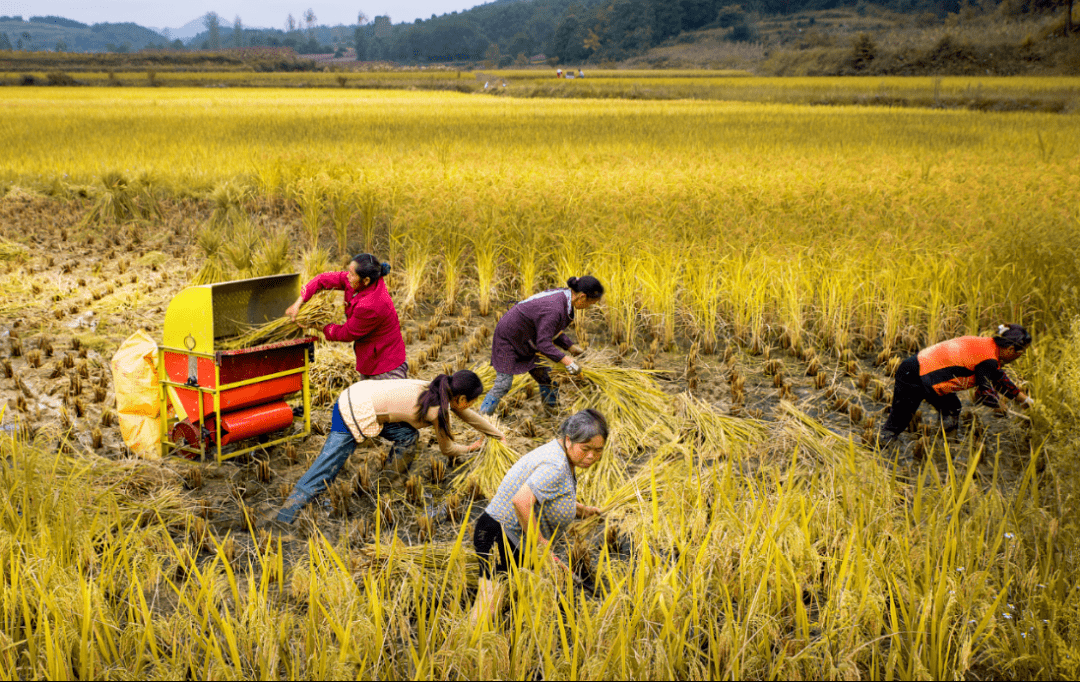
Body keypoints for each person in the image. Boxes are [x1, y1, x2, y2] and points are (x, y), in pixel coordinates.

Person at [276, 371, 505, 523]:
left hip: (361, 393)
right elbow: (448, 449)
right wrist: (471, 447)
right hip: (353, 409)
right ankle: (287, 513)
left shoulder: (435, 389)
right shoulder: (437, 410)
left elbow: (468, 415)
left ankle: (384, 484)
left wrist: (496, 435)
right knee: (327, 466)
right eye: (472, 400)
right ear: (462, 399)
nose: (471, 405)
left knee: (408, 436)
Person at [470, 409, 606, 622]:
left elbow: (550, 495)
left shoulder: (560, 454)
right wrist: (541, 546)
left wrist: (583, 511)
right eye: (586, 449)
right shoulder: (556, 465)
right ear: (568, 440)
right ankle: (473, 638)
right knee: (489, 608)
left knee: (527, 593)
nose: (591, 456)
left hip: (509, 536)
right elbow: (521, 501)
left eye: (598, 450)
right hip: (501, 538)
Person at [879, 324, 1035, 446]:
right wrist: (999, 405)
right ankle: (884, 443)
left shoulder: (988, 347)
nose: (1019, 357)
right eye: (1020, 353)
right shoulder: (989, 359)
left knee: (952, 406)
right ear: (1010, 349)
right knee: (901, 415)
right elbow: (986, 392)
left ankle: (947, 441)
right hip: (915, 375)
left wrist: (1023, 400)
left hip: (924, 371)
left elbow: (998, 378)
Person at [478, 276, 604, 416]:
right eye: (590, 303)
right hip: (509, 338)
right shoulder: (555, 308)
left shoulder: (564, 298)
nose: (589, 307)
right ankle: (483, 418)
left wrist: (569, 346)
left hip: (528, 338)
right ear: (582, 297)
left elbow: (550, 329)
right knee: (503, 384)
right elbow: (543, 344)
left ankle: (553, 412)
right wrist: (567, 360)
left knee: (547, 378)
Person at [285, 253, 407, 380]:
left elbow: (346, 333)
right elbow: (322, 279)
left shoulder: (371, 305)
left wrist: (318, 326)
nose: (347, 276)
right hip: (369, 357)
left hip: (386, 367)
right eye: (349, 271)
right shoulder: (359, 281)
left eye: (352, 274)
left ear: (366, 280)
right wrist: (298, 303)